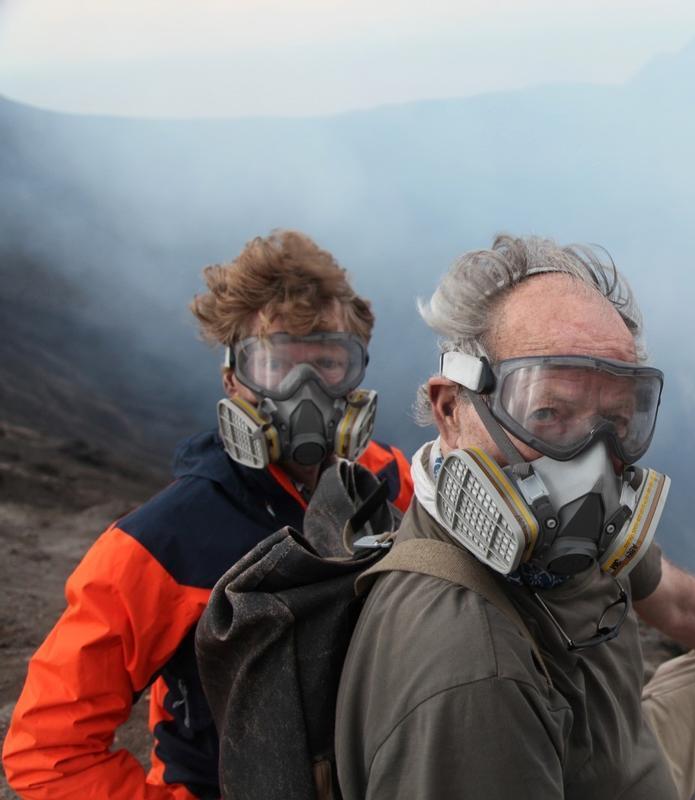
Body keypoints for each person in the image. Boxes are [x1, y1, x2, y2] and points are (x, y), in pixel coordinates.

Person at [335, 235, 695, 800]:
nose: (592, 462)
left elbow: (673, 597)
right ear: (451, 410)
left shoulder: (570, 536)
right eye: (549, 413)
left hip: (622, 756)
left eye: (616, 419)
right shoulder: (473, 678)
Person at [3, 230, 414, 800]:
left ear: (356, 376)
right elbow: (48, 751)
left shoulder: (385, 483)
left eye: (326, 363)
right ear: (232, 380)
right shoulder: (166, 542)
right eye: (276, 365)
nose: (306, 392)